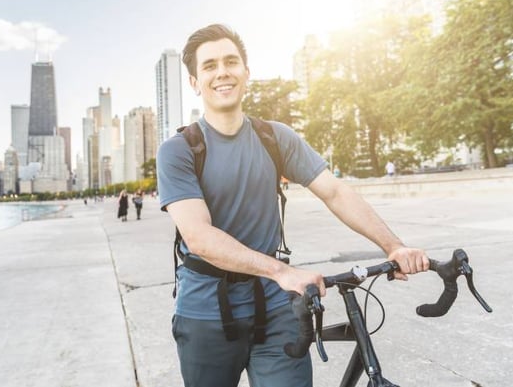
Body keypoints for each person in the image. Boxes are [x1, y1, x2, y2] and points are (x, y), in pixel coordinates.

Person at [156, 24, 429, 387]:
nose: (222, 72)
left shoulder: (274, 138)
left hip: (276, 309)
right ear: (194, 82)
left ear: (246, 73)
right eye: (209, 66)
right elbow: (200, 237)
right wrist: (283, 272)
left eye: (230, 61)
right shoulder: (179, 150)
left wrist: (393, 245)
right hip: (206, 312)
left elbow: (335, 192)